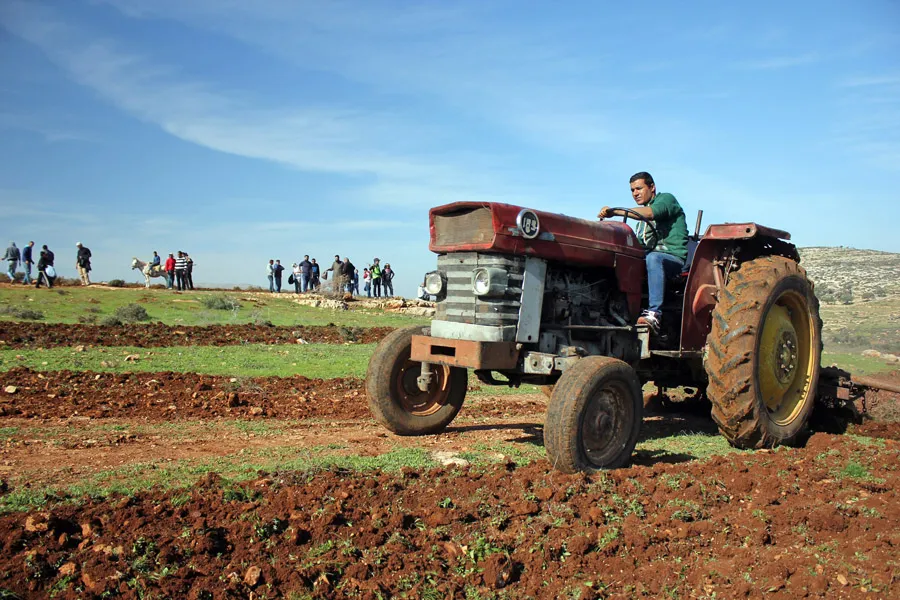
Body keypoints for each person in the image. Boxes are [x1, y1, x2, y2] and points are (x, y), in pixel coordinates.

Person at [598, 171, 688, 331]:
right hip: (647, 257)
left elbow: (652, 213)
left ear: (652, 187)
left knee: (654, 258)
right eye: (632, 190)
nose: (635, 193)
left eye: (639, 188)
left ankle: (654, 314)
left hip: (671, 259)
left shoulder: (666, 200)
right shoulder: (640, 223)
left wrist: (616, 212)